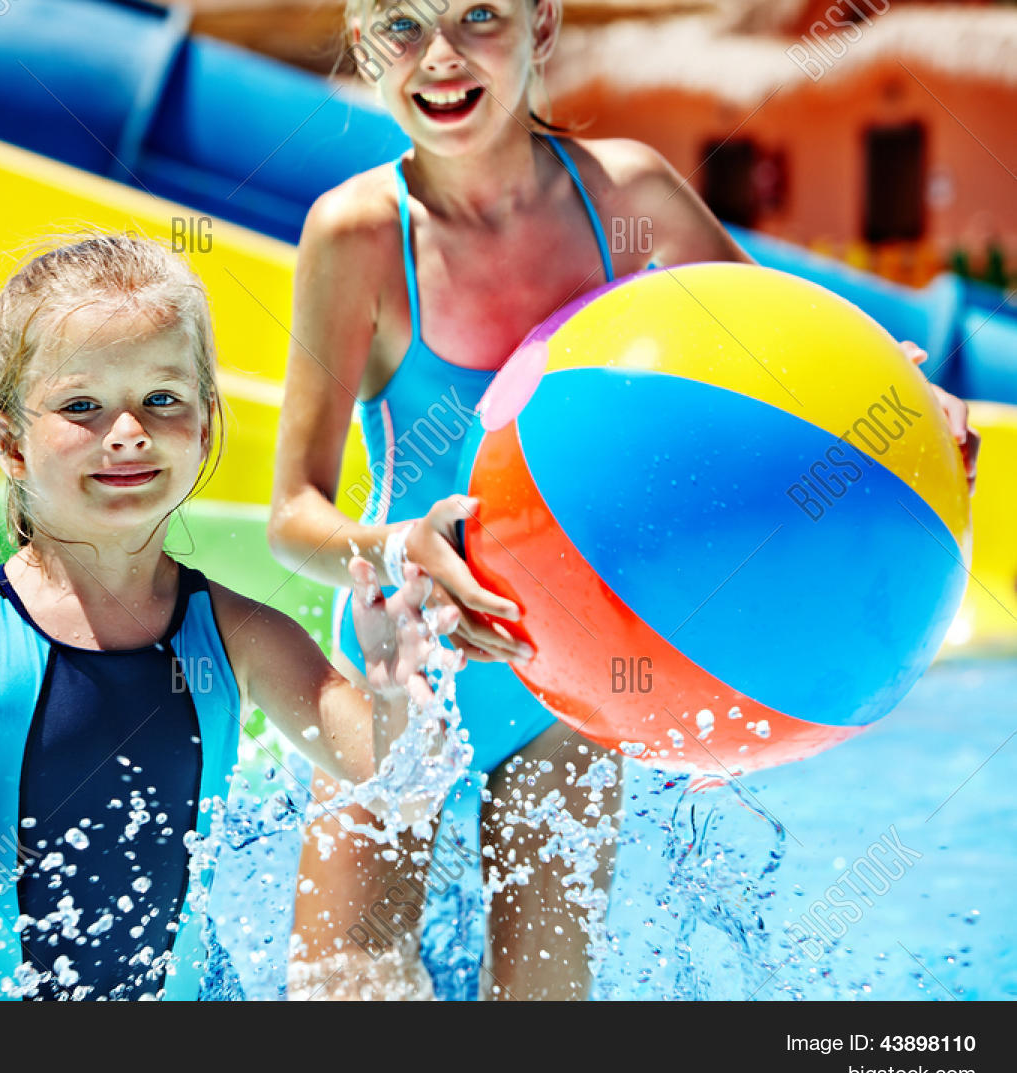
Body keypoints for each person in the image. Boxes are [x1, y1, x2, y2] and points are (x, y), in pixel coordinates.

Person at [268, 0, 980, 1001]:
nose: (441, 56)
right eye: (400, 25)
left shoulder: (626, 196)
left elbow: (788, 374)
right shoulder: (356, 236)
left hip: (575, 671)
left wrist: (909, 406)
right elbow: (291, 513)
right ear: (361, 44)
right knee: (344, 983)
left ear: (541, 23)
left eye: (478, 15)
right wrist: (395, 546)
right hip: (403, 664)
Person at [0, 233, 459, 1001]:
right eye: (82, 406)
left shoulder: (242, 638)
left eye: (162, 398)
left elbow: (398, 784)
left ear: (206, 425)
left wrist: (397, 686)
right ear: (8, 441)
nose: (129, 431)